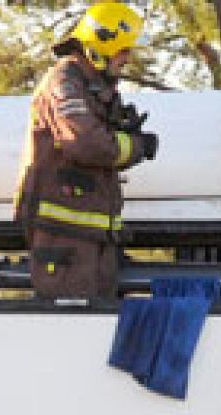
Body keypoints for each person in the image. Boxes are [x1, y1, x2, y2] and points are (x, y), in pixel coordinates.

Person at [14, 3, 159, 300]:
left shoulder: (92, 85)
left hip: (88, 239)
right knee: (72, 331)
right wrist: (135, 147)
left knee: (96, 329)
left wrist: (121, 133)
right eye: (123, 50)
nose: (127, 59)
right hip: (65, 239)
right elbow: (85, 143)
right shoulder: (64, 83)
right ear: (100, 46)